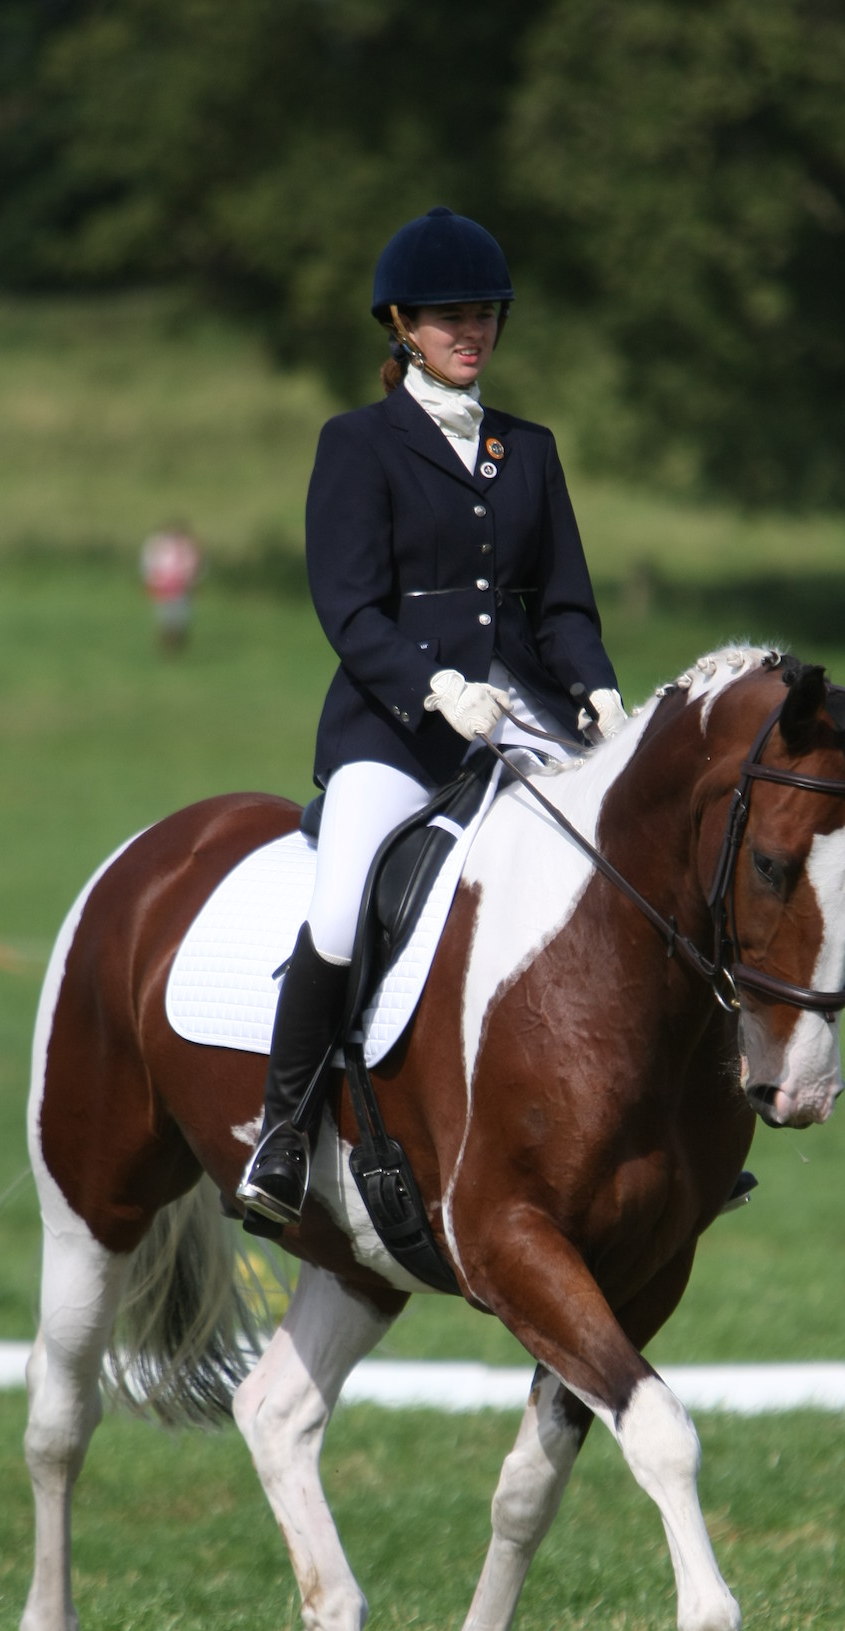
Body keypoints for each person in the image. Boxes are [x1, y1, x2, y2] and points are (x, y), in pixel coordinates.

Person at [238, 206, 627, 1229]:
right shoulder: (358, 445)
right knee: (341, 900)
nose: (471, 331)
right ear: (403, 325)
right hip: (394, 726)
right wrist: (433, 687)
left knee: (629, 864)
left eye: (485, 314)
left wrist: (595, 688)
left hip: (523, 716)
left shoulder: (527, 450)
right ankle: (282, 1133)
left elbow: (564, 605)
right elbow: (348, 606)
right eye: (450, 317)